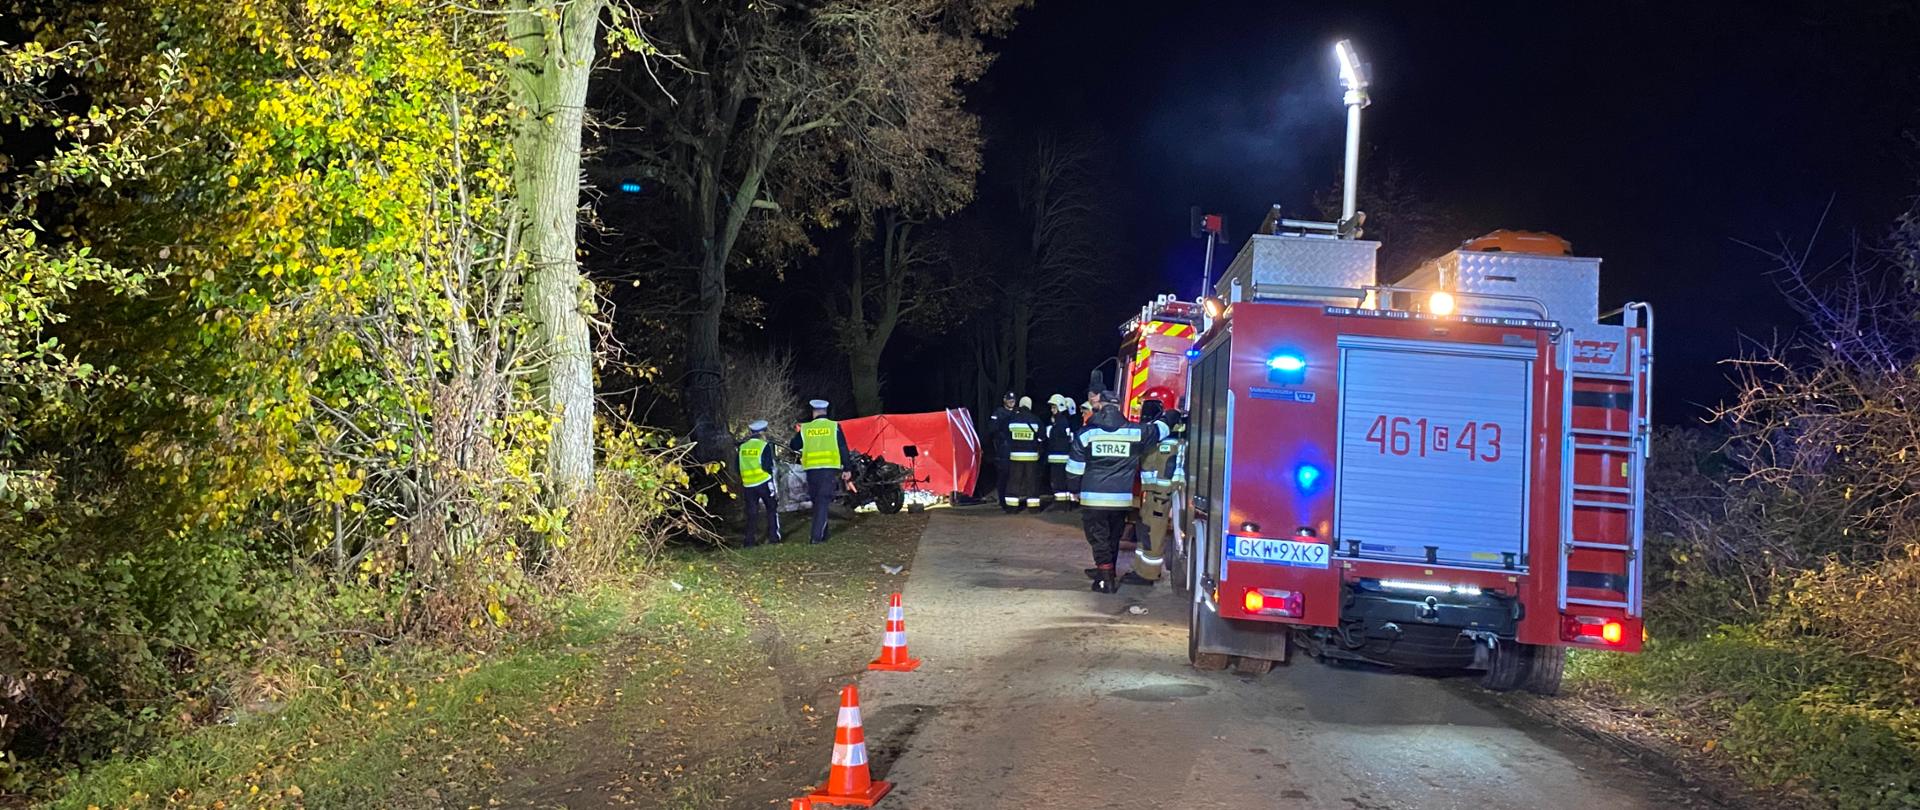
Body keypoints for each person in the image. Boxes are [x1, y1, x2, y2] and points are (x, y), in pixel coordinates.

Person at [1066, 396, 1171, 593]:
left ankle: (1106, 580)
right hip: (1120, 499)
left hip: (1092, 498)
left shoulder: (1087, 434)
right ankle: (1106, 570)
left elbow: (1074, 467)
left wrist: (1073, 490)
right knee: (1112, 537)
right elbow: (1158, 431)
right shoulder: (1133, 432)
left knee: (1098, 538)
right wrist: (1170, 416)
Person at [1126, 403, 1185, 585]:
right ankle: (1141, 569)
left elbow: (1170, 468)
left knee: (1153, 533)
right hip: (1153, 494)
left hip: (1161, 496)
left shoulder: (1171, 436)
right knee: (1145, 529)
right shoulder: (1161, 433)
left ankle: (1148, 574)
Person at [790, 399, 851, 544]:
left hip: (811, 471)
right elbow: (843, 448)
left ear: (814, 412)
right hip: (828, 470)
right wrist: (847, 468)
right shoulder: (833, 426)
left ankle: (824, 534)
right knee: (823, 501)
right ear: (825, 411)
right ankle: (816, 537)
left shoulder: (806, 428)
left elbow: (793, 445)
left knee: (817, 501)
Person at [736, 420, 780, 547]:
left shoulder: (742, 447)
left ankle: (749, 541)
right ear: (762, 433)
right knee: (772, 508)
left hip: (748, 485)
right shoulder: (763, 446)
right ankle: (773, 537)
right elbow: (768, 466)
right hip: (764, 482)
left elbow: (737, 466)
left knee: (752, 513)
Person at [1008, 396, 1045, 511]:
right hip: (1031, 457)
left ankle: (1011, 507)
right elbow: (1042, 437)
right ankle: (1033, 508)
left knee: (1014, 481)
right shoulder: (1035, 419)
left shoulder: (1013, 419)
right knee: (1031, 481)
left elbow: (1006, 436)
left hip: (1015, 456)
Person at [1043, 395, 1079, 509]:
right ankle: (1064, 505)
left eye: (1054, 407)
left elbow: (1050, 436)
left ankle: (1060, 505)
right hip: (1063, 456)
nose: (1052, 410)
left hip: (1057, 456)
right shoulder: (1064, 421)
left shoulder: (1059, 422)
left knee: (1058, 482)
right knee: (1063, 481)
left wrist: (1050, 428)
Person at [988, 391, 1018, 511]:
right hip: (1003, 449)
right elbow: (992, 429)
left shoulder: (1017, 413)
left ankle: (1011, 500)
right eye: (1009, 400)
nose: (1011, 402)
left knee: (1014, 476)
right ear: (1004, 400)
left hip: (1015, 449)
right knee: (1003, 475)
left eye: (1013, 400)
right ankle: (1002, 500)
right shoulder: (999, 413)